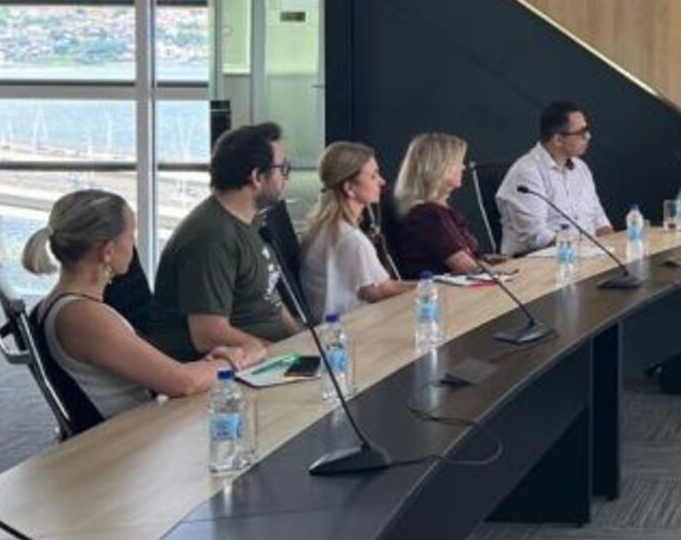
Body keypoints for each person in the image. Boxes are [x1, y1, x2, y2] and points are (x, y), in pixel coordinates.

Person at [22, 191, 261, 429]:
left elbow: (167, 375)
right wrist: (240, 357)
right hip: (132, 440)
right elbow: (183, 383)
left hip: (142, 426)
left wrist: (209, 365)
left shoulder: (61, 305)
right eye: (131, 235)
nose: (133, 245)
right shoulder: (83, 317)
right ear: (107, 251)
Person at [147, 122, 302, 361]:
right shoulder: (211, 238)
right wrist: (280, 354)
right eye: (283, 169)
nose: (286, 177)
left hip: (271, 356)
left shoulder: (250, 222)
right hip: (234, 368)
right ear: (256, 177)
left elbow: (269, 297)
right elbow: (208, 334)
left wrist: (301, 339)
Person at [300, 142, 414, 317]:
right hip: (348, 328)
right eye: (373, 176)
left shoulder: (326, 228)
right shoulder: (350, 238)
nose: (382, 181)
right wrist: (430, 286)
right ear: (349, 188)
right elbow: (378, 291)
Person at [496, 100, 613, 255]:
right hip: (539, 260)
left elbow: (599, 219)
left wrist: (613, 246)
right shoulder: (526, 173)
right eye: (581, 133)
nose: (588, 136)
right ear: (558, 140)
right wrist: (583, 251)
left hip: (584, 255)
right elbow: (536, 236)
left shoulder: (581, 168)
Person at [394, 132, 491, 278]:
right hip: (444, 291)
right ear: (439, 167)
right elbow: (468, 267)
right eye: (458, 162)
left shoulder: (439, 211)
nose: (463, 167)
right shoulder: (427, 216)